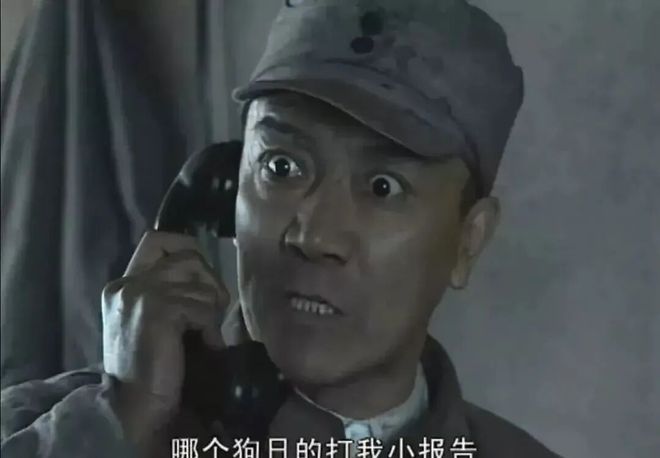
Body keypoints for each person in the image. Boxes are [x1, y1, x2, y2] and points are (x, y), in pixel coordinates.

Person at [1, 0, 561, 457]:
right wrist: (120, 421)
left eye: (383, 187)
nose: (313, 237)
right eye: (281, 167)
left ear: (468, 241)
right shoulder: (56, 429)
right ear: (226, 187)